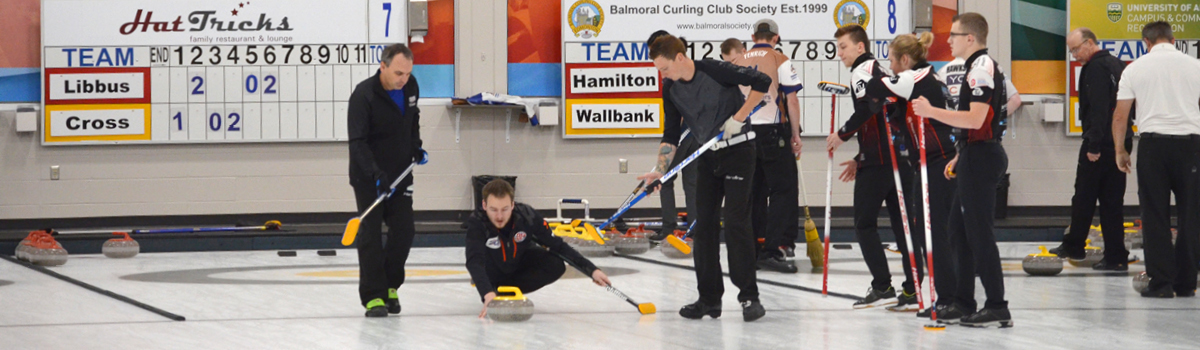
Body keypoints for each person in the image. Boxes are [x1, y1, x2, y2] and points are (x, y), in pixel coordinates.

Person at [639, 34, 772, 321]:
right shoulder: (670, 88)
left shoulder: (713, 69)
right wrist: (660, 170)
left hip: (739, 152)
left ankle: (749, 298)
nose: (662, 74)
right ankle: (709, 299)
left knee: (736, 224)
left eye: (664, 68)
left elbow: (762, 83)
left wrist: (739, 117)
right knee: (704, 226)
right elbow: (671, 134)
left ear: (680, 58)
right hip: (707, 156)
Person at [912, 12, 1012, 327]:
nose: (948, 40)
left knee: (979, 233)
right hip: (973, 154)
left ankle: (997, 304)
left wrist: (932, 112)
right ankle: (963, 301)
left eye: (954, 35)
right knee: (958, 230)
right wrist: (960, 154)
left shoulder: (980, 69)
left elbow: (977, 119)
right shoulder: (975, 67)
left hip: (982, 158)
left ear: (970, 38)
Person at [861, 32, 957, 314]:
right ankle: (948, 295)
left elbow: (874, 87)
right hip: (933, 160)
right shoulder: (929, 76)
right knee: (930, 231)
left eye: (892, 60)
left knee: (932, 233)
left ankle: (949, 298)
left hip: (936, 161)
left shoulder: (912, 77)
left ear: (905, 59)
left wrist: (875, 82)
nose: (890, 66)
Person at [826, 24, 917, 310]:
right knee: (903, 229)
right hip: (899, 160)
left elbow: (867, 110)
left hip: (879, 164)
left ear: (860, 47)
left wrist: (841, 135)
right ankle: (913, 289)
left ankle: (882, 285)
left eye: (843, 47)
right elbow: (886, 117)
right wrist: (859, 156)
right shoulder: (882, 70)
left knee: (864, 224)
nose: (839, 53)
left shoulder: (861, 72)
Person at [1112, 21, 1200, 298]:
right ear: (1174, 40)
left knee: (1155, 215)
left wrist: (1120, 150)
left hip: (1153, 148)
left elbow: (1120, 116)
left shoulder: (1135, 68)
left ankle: (1161, 284)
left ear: (1146, 43)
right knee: (1191, 215)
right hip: (1191, 146)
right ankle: (1186, 283)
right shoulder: (1195, 65)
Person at [347, 43, 427, 317]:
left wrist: (416, 146)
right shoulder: (364, 95)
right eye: (398, 73)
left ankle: (390, 286)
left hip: (401, 173)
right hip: (369, 176)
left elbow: (413, 119)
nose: (403, 79)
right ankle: (373, 297)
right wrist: (375, 173)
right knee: (370, 235)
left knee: (404, 232)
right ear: (382, 66)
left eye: (407, 73)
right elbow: (357, 143)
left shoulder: (411, 86)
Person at [1049, 28, 1134, 270]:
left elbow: (1099, 109)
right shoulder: (1119, 64)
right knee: (1112, 201)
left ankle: (1074, 245)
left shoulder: (1095, 68)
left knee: (1084, 196)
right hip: (1121, 141)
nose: (1074, 54)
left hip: (1100, 142)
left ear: (1089, 43)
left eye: (1075, 49)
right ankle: (1117, 256)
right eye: (1071, 51)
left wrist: (1094, 145)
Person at [464, 179, 611, 318]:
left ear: (513, 205)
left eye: (505, 209)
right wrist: (487, 293)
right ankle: (493, 288)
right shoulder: (477, 222)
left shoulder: (527, 216)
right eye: (493, 210)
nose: (499, 216)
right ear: (484, 206)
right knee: (480, 266)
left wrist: (592, 270)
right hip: (492, 270)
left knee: (555, 264)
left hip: (518, 263)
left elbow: (558, 246)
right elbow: (474, 261)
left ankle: (505, 290)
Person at [731, 19, 804, 273]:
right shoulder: (779, 58)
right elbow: (791, 100)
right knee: (783, 190)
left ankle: (752, 249)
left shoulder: (738, 60)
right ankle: (773, 250)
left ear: (753, 37)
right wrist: (796, 134)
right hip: (772, 132)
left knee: (754, 192)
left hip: (743, 133)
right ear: (776, 37)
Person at [646, 30, 698, 240]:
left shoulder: (676, 76)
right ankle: (694, 230)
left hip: (689, 134)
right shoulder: (673, 73)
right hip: (688, 133)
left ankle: (670, 229)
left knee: (666, 179)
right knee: (691, 182)